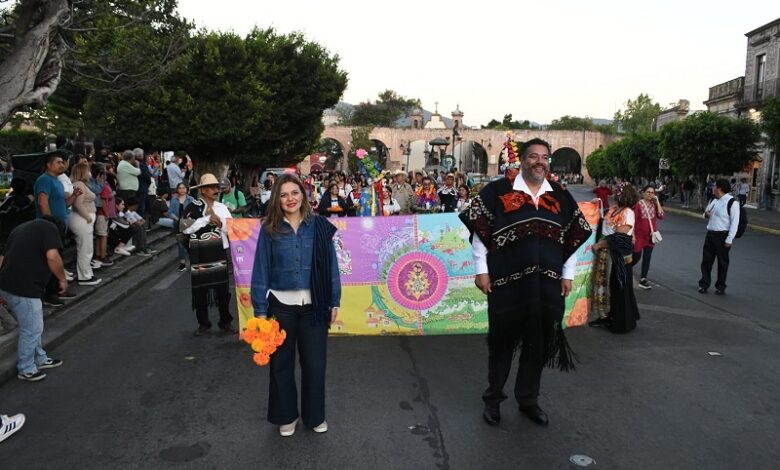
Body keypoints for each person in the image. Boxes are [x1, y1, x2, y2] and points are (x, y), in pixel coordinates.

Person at [459, 137, 591, 427]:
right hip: (507, 282)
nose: (539, 162)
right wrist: (481, 270)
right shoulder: (498, 191)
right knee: (502, 343)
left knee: (538, 343)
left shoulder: (559, 195)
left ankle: (528, 399)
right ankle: (493, 400)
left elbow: (571, 235)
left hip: (547, 284)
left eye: (544, 157)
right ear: (523, 160)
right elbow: (480, 233)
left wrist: (567, 274)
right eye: (533, 156)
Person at [250, 173, 341, 437]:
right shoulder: (270, 229)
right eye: (284, 194)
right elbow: (261, 269)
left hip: (314, 307)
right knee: (281, 366)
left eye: (294, 192)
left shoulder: (319, 226)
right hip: (280, 307)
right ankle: (286, 416)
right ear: (277, 199)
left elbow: (331, 266)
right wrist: (260, 311)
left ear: (303, 194)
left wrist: (334, 301)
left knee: (315, 366)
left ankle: (314, 417)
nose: (290, 199)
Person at [0, 216, 66, 381]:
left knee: (32, 325)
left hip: (8, 284)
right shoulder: (50, 229)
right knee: (32, 329)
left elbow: (2, 257)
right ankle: (26, 368)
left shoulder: (20, 229)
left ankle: (40, 358)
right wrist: (62, 279)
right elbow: (52, 256)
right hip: (24, 287)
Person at [181, 174, 235, 335]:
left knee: (223, 290)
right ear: (203, 190)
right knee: (200, 292)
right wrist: (206, 219)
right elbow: (184, 227)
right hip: (200, 255)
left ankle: (225, 322)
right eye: (212, 187)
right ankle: (203, 324)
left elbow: (232, 229)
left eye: (217, 187)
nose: (216, 190)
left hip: (219, 253)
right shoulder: (193, 207)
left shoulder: (222, 207)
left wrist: (221, 224)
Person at [589, 184, 640, 333]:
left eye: (619, 192)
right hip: (607, 255)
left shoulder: (628, 212)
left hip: (618, 257)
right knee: (607, 287)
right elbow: (605, 224)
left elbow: (620, 237)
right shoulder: (614, 209)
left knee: (618, 290)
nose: (616, 194)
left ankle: (620, 323)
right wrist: (595, 205)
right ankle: (606, 316)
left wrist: (600, 244)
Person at [698, 178, 739, 295]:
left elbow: (734, 223)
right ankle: (704, 284)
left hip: (722, 236)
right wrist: (706, 215)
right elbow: (705, 214)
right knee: (706, 261)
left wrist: (729, 239)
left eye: (714, 186)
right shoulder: (714, 200)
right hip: (710, 234)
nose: (712, 188)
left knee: (722, 263)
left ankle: (721, 286)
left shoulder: (732, 203)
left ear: (719, 188)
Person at [69, 162, 102, 286]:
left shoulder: (81, 184)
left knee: (87, 249)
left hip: (83, 219)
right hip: (82, 220)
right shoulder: (79, 184)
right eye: (87, 170)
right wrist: (88, 217)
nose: (90, 173)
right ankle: (84, 276)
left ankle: (87, 274)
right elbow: (78, 203)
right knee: (85, 249)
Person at [632, 184, 665, 289]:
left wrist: (658, 202)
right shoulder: (638, 205)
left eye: (652, 193)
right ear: (643, 193)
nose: (650, 194)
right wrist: (633, 235)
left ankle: (643, 279)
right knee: (636, 256)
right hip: (639, 237)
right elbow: (633, 221)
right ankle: (625, 269)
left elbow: (661, 216)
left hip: (650, 237)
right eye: (648, 192)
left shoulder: (654, 205)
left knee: (647, 257)